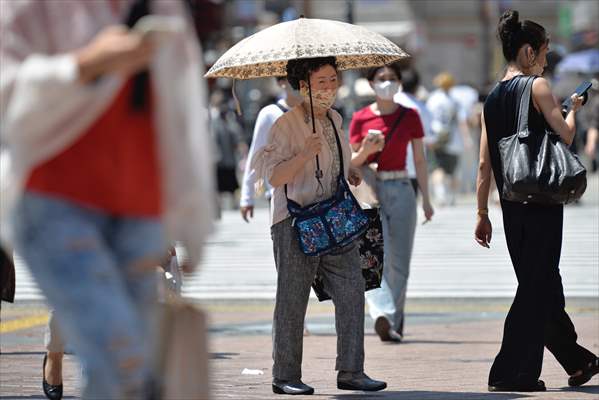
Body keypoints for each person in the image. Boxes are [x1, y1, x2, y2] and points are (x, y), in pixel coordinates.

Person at [0, 1, 214, 398]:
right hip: (53, 200)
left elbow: (181, 111)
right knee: (124, 362)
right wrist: (81, 66)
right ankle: (57, 359)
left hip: (141, 210)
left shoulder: (163, 7)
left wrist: (191, 220)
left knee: (117, 374)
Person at [475, 9, 598, 392]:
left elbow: (483, 164)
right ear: (528, 52)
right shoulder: (538, 87)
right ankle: (510, 372)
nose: (545, 61)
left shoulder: (492, 98)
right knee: (536, 285)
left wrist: (481, 212)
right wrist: (573, 113)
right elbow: (563, 137)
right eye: (544, 53)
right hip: (542, 200)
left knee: (543, 282)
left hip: (511, 204)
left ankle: (578, 362)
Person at [252, 56, 387, 395]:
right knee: (292, 300)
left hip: (335, 220)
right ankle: (285, 376)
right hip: (295, 223)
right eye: (321, 82)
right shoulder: (284, 125)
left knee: (352, 291)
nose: (329, 88)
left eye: (333, 80)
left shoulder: (336, 119)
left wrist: (354, 165)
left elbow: (336, 166)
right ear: (302, 87)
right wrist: (303, 154)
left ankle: (351, 370)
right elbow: (274, 177)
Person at [349, 63, 434, 342]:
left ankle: (392, 323)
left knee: (400, 262)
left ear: (400, 83)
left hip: (402, 187)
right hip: (371, 190)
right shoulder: (360, 118)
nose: (387, 83)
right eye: (381, 79)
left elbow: (420, 160)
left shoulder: (410, 116)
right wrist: (366, 150)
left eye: (392, 78)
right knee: (374, 257)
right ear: (371, 84)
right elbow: (351, 164)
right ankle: (382, 313)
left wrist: (427, 199)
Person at [239, 77, 303, 222]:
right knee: (285, 243)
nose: (299, 84)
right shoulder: (269, 114)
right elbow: (257, 154)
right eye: (292, 79)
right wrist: (247, 197)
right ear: (281, 82)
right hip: (279, 196)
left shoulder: (314, 112)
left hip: (312, 194)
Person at [426, 72, 468, 206]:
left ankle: (441, 194)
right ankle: (452, 196)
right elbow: (462, 122)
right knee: (453, 170)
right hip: (454, 141)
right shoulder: (455, 101)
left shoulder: (432, 99)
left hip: (436, 138)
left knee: (437, 167)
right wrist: (466, 139)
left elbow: (427, 119)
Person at [394, 68, 434, 194]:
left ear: (399, 83)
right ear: (417, 87)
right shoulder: (422, 108)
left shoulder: (390, 102)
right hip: (413, 166)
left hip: (389, 166)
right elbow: (429, 137)